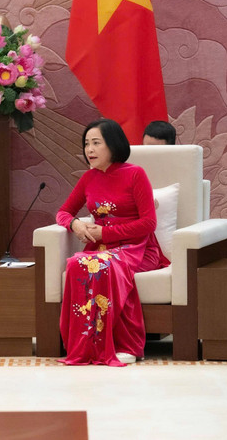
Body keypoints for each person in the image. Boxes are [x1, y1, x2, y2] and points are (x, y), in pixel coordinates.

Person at [56, 119, 170, 366]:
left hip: (139, 248)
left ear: (113, 145)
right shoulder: (88, 178)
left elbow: (148, 223)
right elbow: (63, 212)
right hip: (102, 249)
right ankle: (84, 344)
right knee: (76, 265)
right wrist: (75, 224)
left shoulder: (135, 174)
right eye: (86, 144)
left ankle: (127, 344)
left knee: (107, 267)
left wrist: (105, 235)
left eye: (96, 143)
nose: (90, 150)